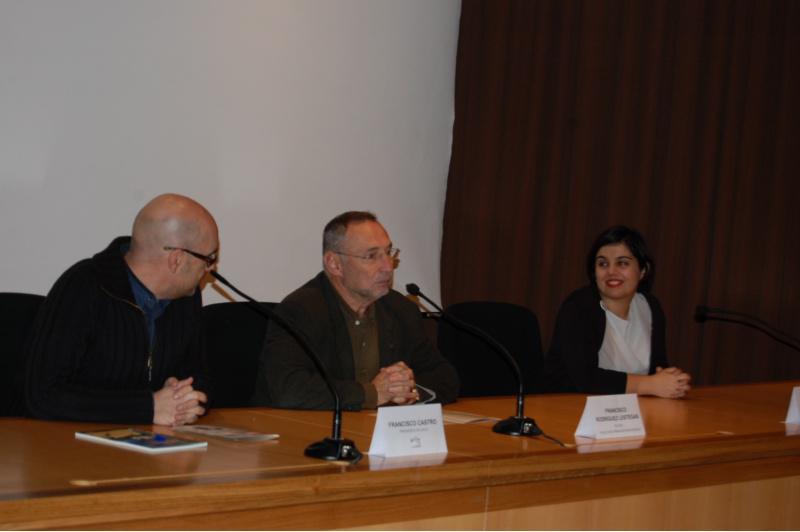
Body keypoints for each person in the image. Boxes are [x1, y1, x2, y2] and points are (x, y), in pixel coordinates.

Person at [25, 193, 217, 425]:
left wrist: (186, 398)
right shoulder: (84, 287)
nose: (210, 268)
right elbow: (44, 395)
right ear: (177, 259)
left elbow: (202, 378)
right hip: (70, 443)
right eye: (208, 258)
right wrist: (147, 408)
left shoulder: (186, 298)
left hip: (155, 442)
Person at [252, 211, 459, 410]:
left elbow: (446, 377)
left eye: (388, 253)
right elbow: (287, 388)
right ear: (335, 264)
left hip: (376, 430)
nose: (388, 267)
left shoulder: (400, 309)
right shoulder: (301, 310)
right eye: (371, 256)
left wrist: (408, 391)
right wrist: (372, 393)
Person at [545, 225, 691, 398]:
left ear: (643, 270)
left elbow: (658, 368)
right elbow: (584, 378)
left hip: (636, 407)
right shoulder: (579, 307)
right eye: (603, 264)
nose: (611, 271)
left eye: (622, 263)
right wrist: (649, 384)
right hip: (572, 406)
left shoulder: (650, 306)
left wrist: (673, 380)